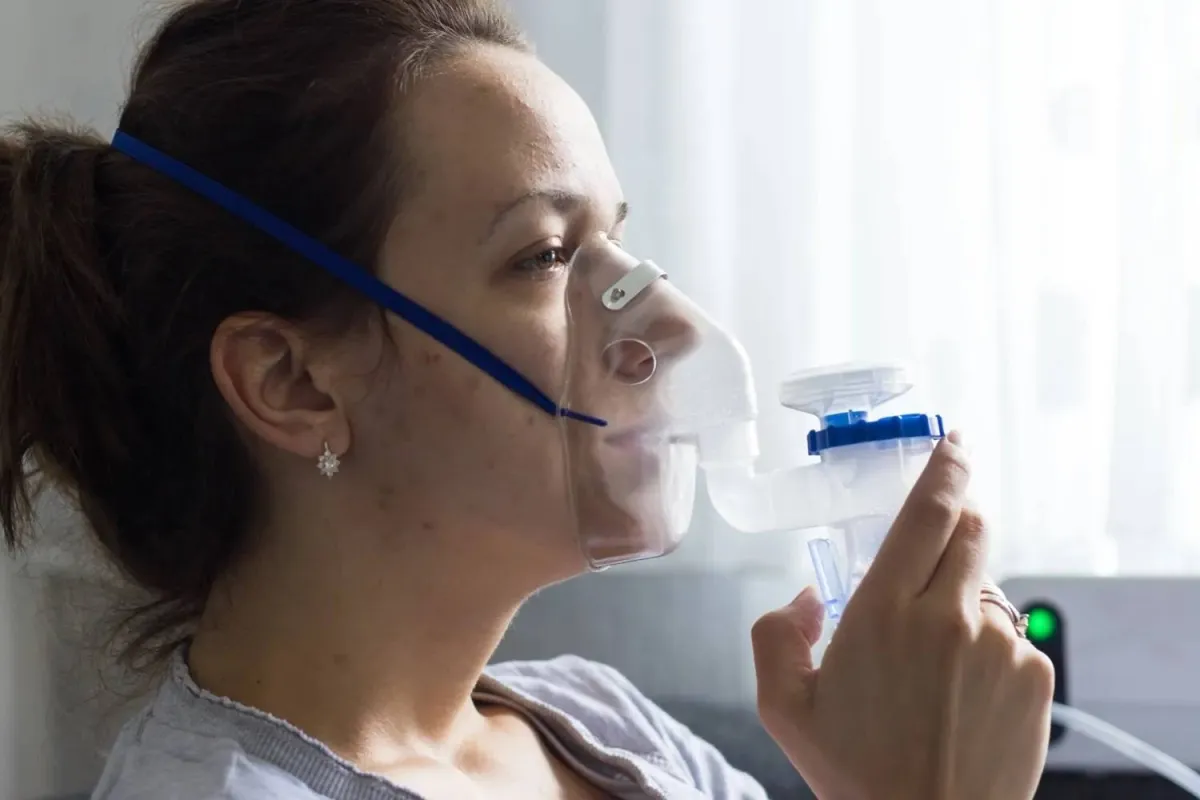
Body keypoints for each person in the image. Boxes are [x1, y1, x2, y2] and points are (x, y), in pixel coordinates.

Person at [0, 1, 1055, 798]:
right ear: (292, 381)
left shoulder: (604, 728)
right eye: (546, 256)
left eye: (618, 245)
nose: (668, 330)